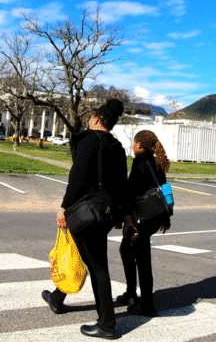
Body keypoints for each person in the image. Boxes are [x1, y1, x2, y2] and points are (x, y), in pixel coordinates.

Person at [42, 99, 130, 340]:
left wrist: (63, 207)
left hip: (86, 212)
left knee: (97, 266)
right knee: (84, 254)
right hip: (105, 213)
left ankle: (107, 325)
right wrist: (122, 217)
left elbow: (77, 178)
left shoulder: (88, 140)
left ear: (97, 118)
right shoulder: (118, 147)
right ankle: (57, 298)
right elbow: (122, 185)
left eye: (92, 117)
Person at [116, 130, 172, 318]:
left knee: (141, 259)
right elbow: (164, 189)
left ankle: (146, 304)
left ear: (139, 145)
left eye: (134, 143)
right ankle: (132, 294)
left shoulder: (140, 161)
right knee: (128, 250)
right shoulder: (157, 162)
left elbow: (130, 193)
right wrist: (166, 218)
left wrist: (127, 220)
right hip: (154, 218)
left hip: (140, 218)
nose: (133, 146)